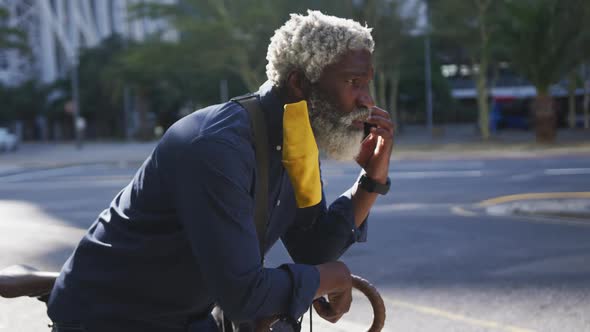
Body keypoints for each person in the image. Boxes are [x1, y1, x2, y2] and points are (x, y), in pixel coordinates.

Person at [47, 10, 394, 332]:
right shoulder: (218, 147)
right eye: (353, 82)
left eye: (366, 84)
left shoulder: (297, 141)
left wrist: (371, 182)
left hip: (184, 317)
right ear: (299, 84)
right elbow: (243, 295)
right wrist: (332, 276)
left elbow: (313, 249)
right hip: (109, 318)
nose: (366, 99)